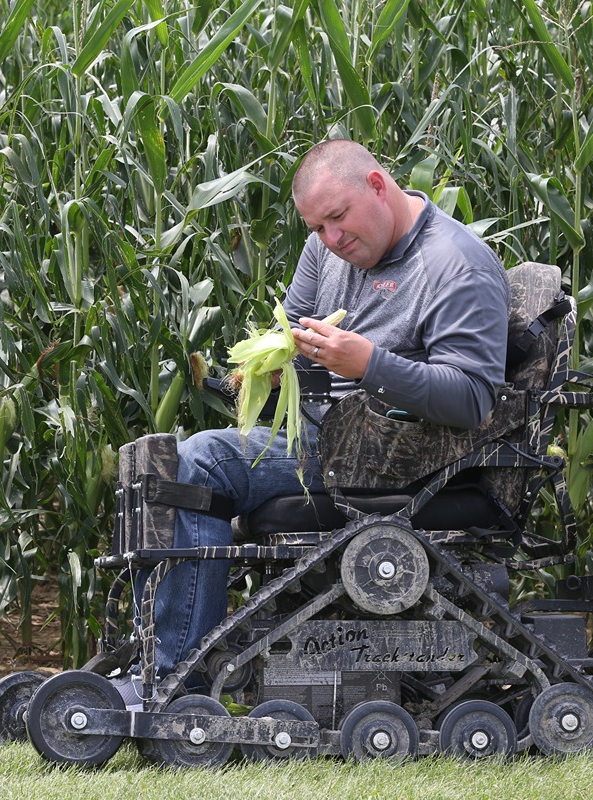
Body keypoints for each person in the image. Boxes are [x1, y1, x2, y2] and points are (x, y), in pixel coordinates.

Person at [117, 139, 510, 708]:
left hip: (397, 457)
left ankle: (177, 678)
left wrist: (368, 363)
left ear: (377, 185)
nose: (330, 240)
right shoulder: (325, 250)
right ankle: (155, 659)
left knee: (200, 461)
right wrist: (268, 368)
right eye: (317, 226)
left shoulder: (456, 265)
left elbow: (472, 397)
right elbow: (294, 345)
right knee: (161, 462)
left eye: (338, 219)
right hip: (326, 439)